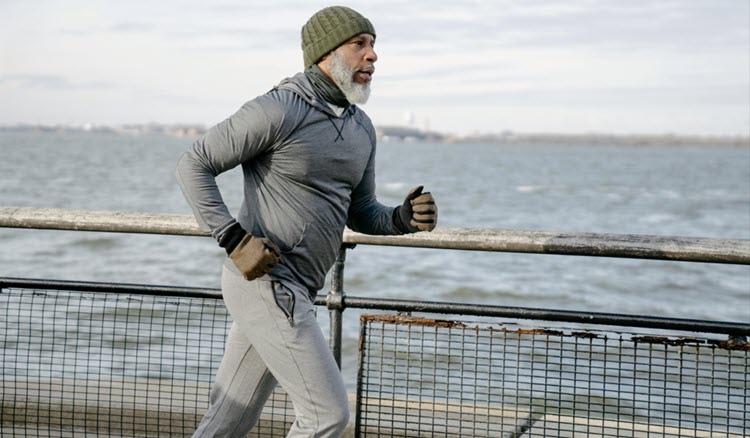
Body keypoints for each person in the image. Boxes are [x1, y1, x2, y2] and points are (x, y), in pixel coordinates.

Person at [176, 6, 437, 437]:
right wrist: (233, 238)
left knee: (226, 423)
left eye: (374, 45)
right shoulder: (278, 109)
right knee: (327, 415)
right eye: (360, 44)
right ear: (325, 53)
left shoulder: (362, 128)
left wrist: (401, 218)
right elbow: (194, 164)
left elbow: (360, 209)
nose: (373, 56)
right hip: (266, 284)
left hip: (298, 289)